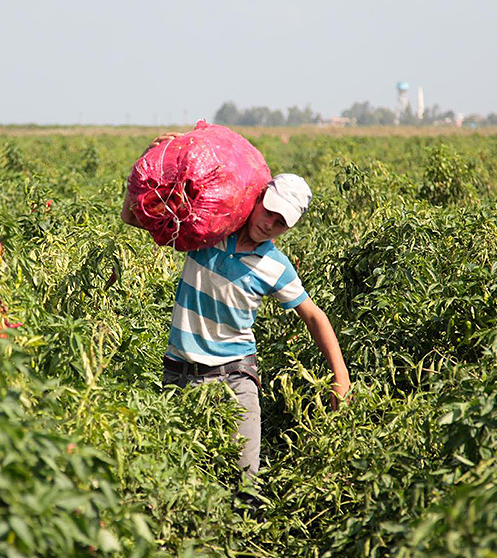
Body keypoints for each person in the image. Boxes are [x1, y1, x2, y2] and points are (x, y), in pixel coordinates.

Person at [122, 137, 350, 484]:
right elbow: (132, 216)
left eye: (280, 223)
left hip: (235, 377)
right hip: (178, 376)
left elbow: (315, 316)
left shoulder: (274, 265)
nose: (268, 224)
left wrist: (340, 377)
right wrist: (149, 161)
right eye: (268, 211)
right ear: (257, 198)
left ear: (289, 229)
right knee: (178, 483)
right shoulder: (209, 229)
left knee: (244, 485)